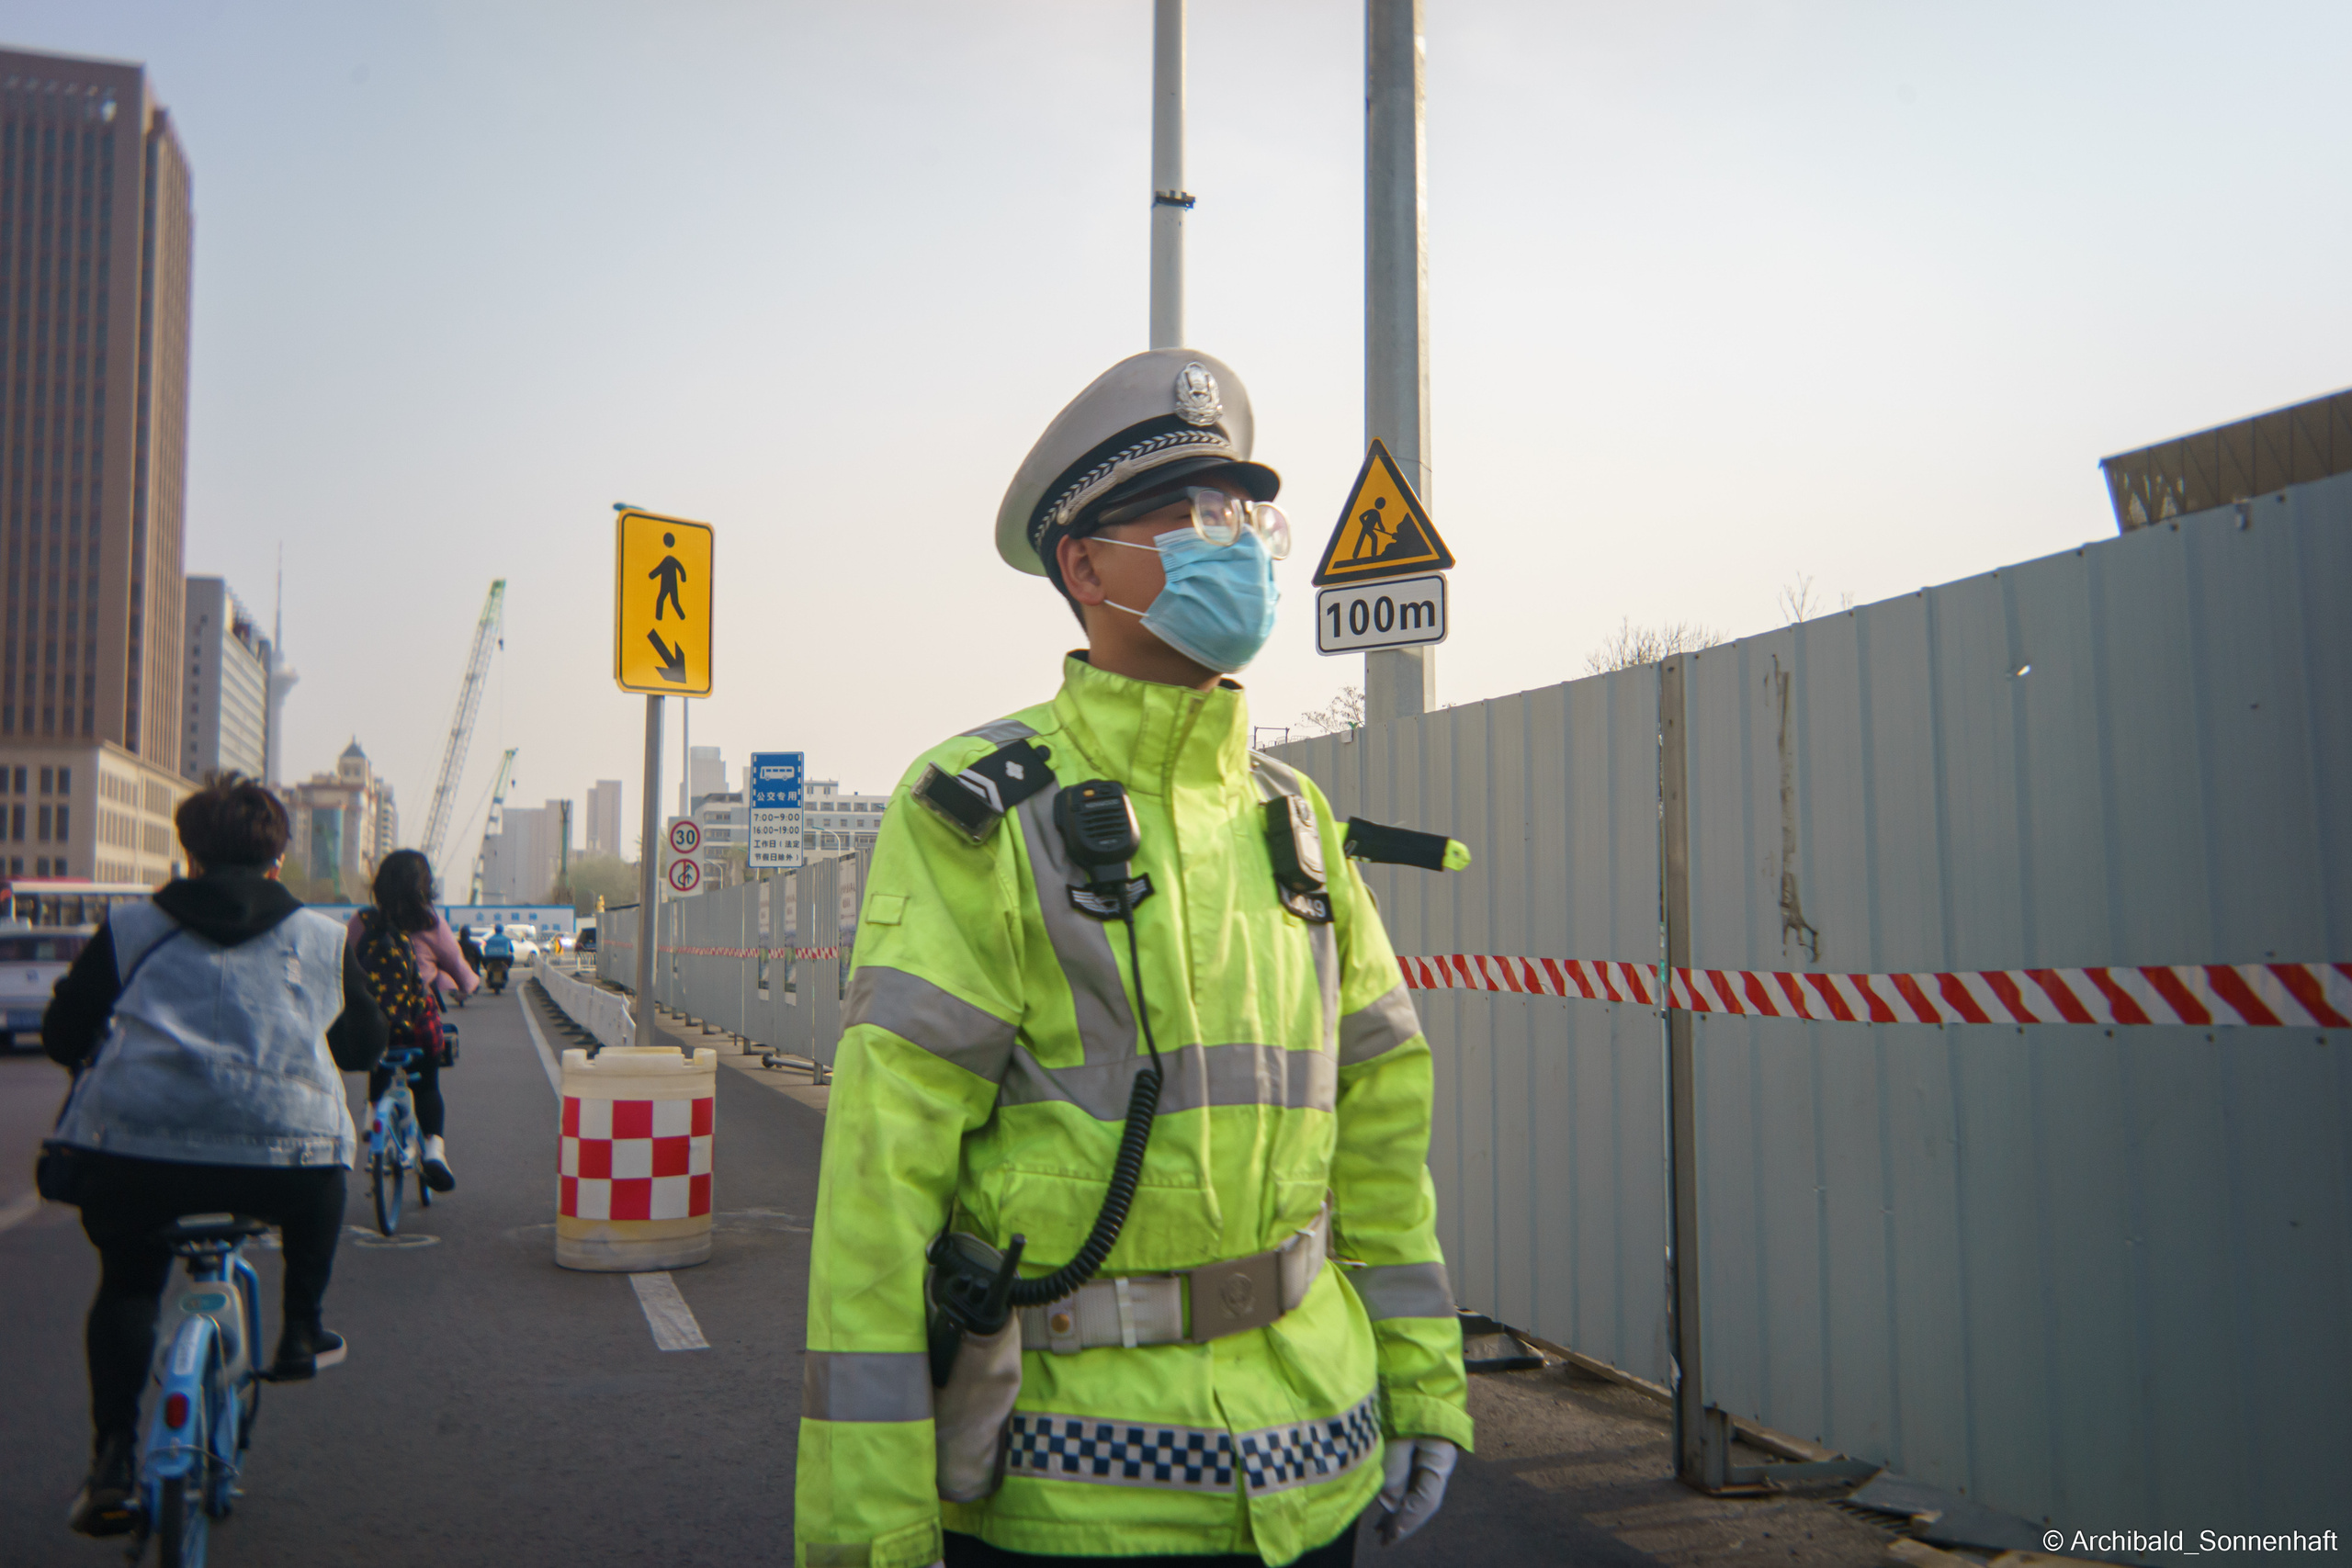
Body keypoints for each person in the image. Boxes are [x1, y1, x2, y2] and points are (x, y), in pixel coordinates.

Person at [794, 350, 1470, 1568]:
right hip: (1077, 1496)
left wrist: (1423, 1381)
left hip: (1320, 1463)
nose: (1243, 540)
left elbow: (1382, 1136)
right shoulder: (981, 811)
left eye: (1250, 510)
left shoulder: (1299, 821)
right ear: (1084, 563)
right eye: (1196, 513)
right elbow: (877, 1194)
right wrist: (872, 1532)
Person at [42, 774, 388, 1537]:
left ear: (188, 848)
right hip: (285, 1155)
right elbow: (365, 1044)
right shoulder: (323, 937)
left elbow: (65, 1033)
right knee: (325, 1157)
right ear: (279, 854)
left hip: (136, 1150)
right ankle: (300, 1327)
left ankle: (110, 1462)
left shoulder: (132, 926)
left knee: (129, 1285)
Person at [348, 850, 476, 1190]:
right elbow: (462, 973)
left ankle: (373, 1113)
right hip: (418, 1028)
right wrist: (466, 985)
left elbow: (342, 965)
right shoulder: (431, 924)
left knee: (380, 1060)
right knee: (427, 1085)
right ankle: (433, 1151)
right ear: (425, 887)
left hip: (372, 1025)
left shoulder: (361, 921)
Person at [456, 924, 486, 1007]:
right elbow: (479, 957)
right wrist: (477, 970)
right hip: (468, 967)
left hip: (457, 967)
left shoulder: (456, 944)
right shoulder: (473, 945)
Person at [481, 924, 514, 991]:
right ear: (502, 930)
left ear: (495, 930)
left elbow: (485, 949)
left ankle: (487, 969)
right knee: (511, 957)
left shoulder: (489, 939)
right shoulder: (506, 939)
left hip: (490, 957)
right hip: (503, 957)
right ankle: (507, 968)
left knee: (483, 959)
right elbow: (512, 950)